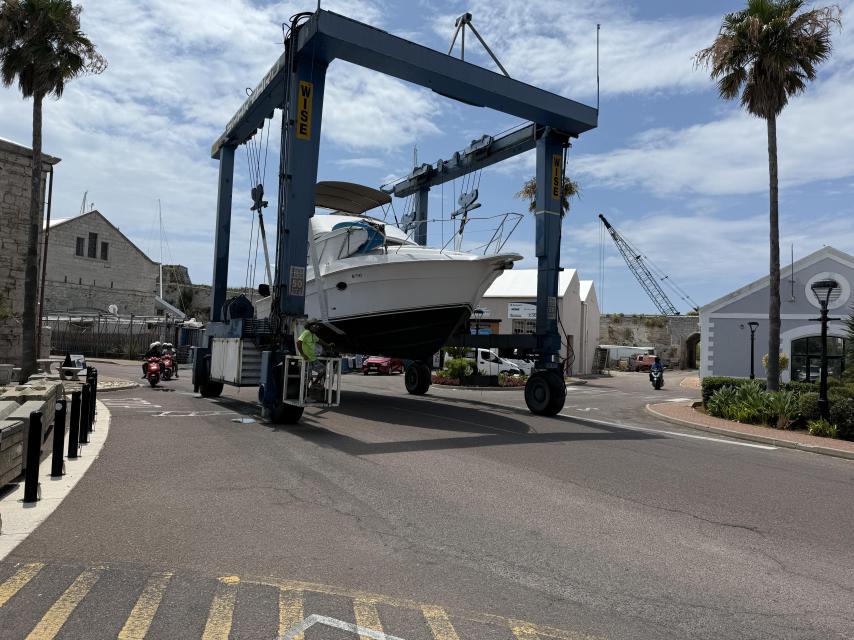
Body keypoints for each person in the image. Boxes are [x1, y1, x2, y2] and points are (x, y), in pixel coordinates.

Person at [297, 320, 334, 390]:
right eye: (315, 325)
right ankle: (304, 394)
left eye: (317, 326)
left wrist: (328, 345)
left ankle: (314, 383)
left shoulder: (313, 335)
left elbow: (319, 340)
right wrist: (302, 354)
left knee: (323, 370)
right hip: (306, 360)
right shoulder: (306, 333)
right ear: (310, 326)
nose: (317, 327)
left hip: (312, 359)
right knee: (307, 377)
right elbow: (298, 342)